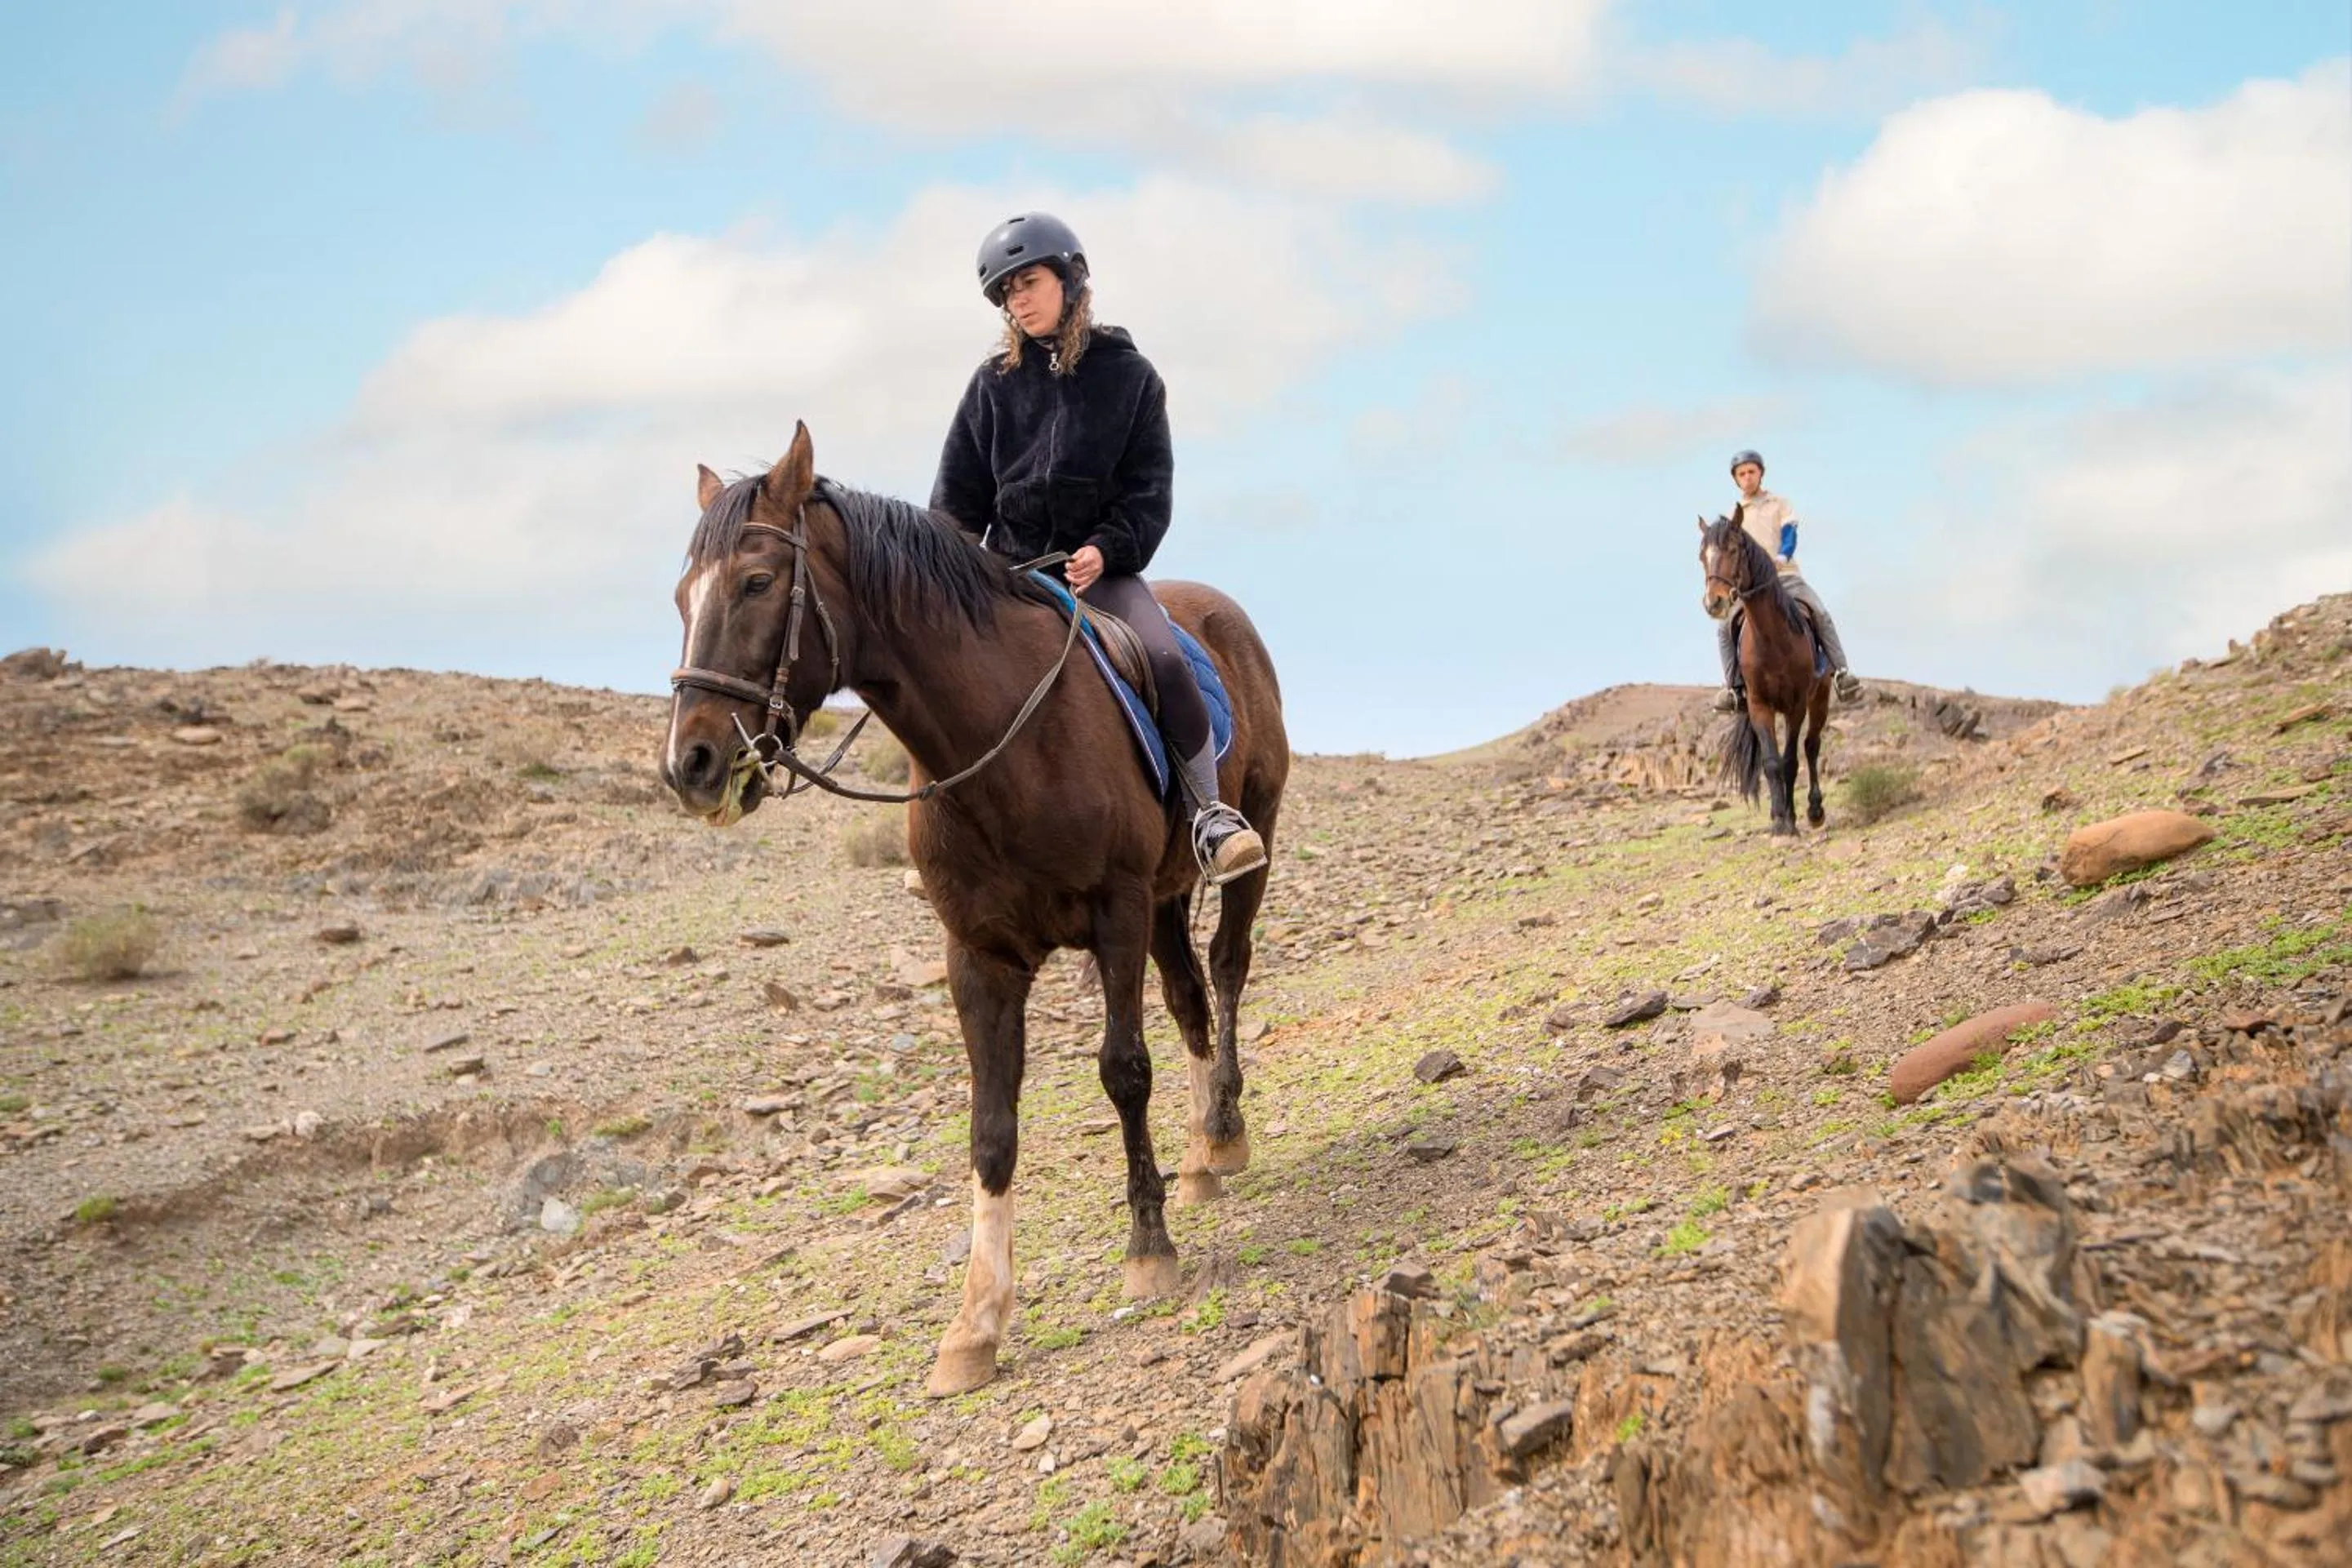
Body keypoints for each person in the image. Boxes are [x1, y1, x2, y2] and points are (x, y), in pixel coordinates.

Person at [931, 212, 1268, 886]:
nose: (1018, 300)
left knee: (1167, 660)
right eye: (1006, 293)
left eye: (1028, 282)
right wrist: (955, 575)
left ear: (1070, 278)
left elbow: (1149, 491)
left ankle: (1209, 814)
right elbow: (956, 502)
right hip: (1010, 577)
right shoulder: (990, 385)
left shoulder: (1130, 378)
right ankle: (947, 830)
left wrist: (1106, 550)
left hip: (1099, 576)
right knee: (939, 671)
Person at [1712, 449, 1865, 711]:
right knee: (1724, 629)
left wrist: (1782, 557)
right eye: (1742, 474)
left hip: (1785, 577)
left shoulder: (1780, 504)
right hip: (1751, 588)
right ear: (1736, 480)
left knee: (1820, 613)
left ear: (1761, 473)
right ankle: (1734, 690)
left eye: (1752, 472)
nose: (1747, 477)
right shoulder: (1732, 515)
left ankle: (1841, 673)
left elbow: (1790, 533)